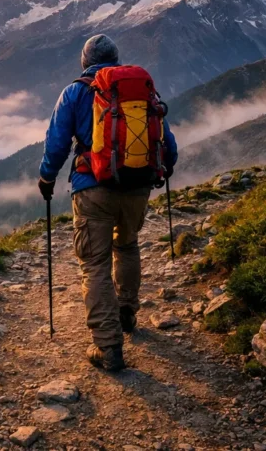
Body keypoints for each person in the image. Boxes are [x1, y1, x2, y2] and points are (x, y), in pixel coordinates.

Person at [38, 34, 177, 371]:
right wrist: (164, 167)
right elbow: (166, 141)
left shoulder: (75, 92)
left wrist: (47, 177)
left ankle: (108, 346)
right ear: (117, 59)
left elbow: (56, 141)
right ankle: (127, 313)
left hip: (92, 187)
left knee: (95, 263)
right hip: (138, 185)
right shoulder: (139, 91)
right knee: (127, 246)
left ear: (85, 62)